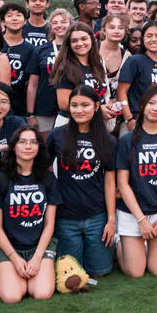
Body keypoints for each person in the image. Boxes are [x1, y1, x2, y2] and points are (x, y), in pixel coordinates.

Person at [48, 85, 118, 278]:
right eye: (74, 105)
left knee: (100, 272)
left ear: (96, 106)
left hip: (97, 216)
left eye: (85, 105)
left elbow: (110, 182)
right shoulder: (57, 135)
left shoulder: (108, 140)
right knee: (72, 273)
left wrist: (111, 220)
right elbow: (42, 169)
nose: (79, 110)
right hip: (66, 217)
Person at [114, 86, 157, 277]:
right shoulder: (127, 140)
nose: (155, 108)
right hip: (133, 213)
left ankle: (140, 246)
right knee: (135, 272)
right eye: (151, 103)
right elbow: (123, 183)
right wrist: (141, 220)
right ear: (142, 105)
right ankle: (120, 241)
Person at [0, 124, 60, 302]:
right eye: (23, 142)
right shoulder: (0, 179)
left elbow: (50, 224)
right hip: (8, 247)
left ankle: (35, 270)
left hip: (38, 246)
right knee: (12, 296)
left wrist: (37, 258)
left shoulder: (48, 178)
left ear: (38, 147)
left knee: (41, 293)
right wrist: (14, 258)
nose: (28, 146)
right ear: (14, 147)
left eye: (33, 142)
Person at [117, 21, 157, 130]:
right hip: (135, 122)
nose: (153, 39)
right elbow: (121, 92)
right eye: (149, 36)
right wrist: (129, 119)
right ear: (143, 39)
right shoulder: (134, 61)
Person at [27, 8, 72, 133]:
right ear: (50, 27)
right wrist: (30, 114)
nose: (59, 25)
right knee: (45, 147)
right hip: (44, 107)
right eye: (55, 23)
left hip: (70, 108)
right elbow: (33, 83)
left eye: (63, 22)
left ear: (70, 24)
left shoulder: (77, 48)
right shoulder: (40, 50)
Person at [51, 23, 103, 126]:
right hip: (69, 124)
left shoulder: (98, 64)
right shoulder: (65, 67)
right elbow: (64, 104)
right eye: (74, 41)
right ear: (68, 44)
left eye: (84, 39)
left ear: (92, 40)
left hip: (94, 124)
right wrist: (98, 109)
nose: (80, 43)